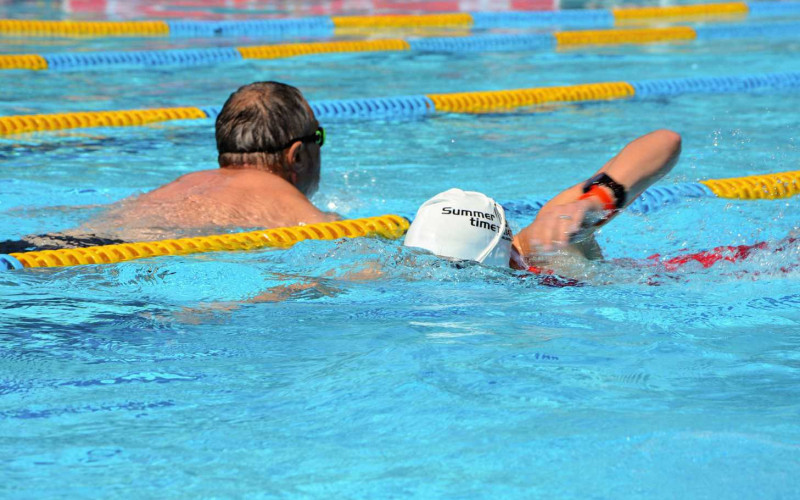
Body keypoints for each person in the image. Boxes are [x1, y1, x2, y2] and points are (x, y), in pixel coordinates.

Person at [0, 81, 336, 252]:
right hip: (118, 264)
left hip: (56, 247)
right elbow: (360, 268)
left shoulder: (188, 183)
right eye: (317, 137)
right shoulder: (287, 202)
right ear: (297, 155)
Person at [403, 129, 683, 272]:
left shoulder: (546, 240)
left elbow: (665, 142)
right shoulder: (416, 266)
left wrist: (592, 202)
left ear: (508, 261)